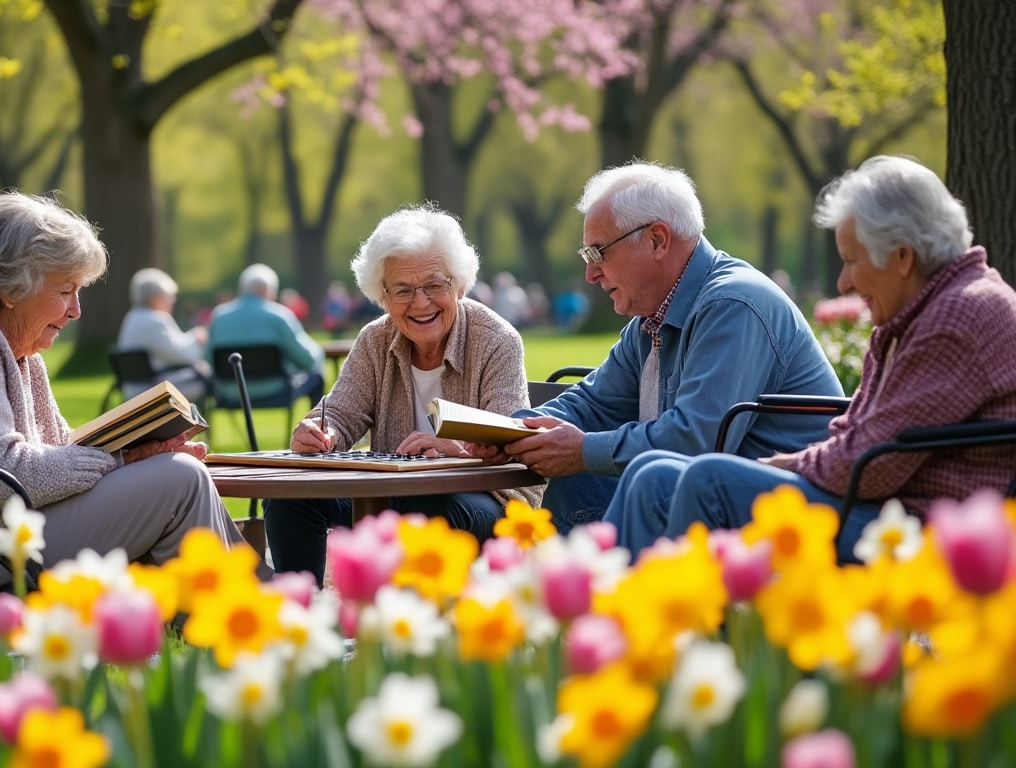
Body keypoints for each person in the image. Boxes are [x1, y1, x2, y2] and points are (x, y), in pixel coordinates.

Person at [0, 192, 260, 598]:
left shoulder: (7, 340)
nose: (76, 310)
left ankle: (240, 606)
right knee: (179, 480)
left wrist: (135, 452)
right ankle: (229, 628)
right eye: (65, 292)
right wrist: (118, 459)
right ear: (11, 288)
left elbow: (57, 451)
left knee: (176, 471)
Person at [603, 155, 1016, 561]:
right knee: (653, 472)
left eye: (852, 260)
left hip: (913, 529)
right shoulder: (924, 309)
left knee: (709, 479)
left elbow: (875, 462)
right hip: (878, 508)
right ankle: (622, 620)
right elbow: (866, 440)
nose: (844, 281)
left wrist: (793, 465)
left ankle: (694, 627)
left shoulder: (958, 316)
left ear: (902, 257)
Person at [472, 160, 843, 533]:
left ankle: (593, 585)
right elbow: (593, 403)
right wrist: (506, 433)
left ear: (657, 239)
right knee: (580, 476)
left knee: (613, 472)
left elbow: (696, 439)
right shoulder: (652, 319)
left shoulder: (732, 303)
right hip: (714, 502)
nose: (590, 273)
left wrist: (581, 450)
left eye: (599, 253)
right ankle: (582, 583)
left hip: (789, 515)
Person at [265, 203, 545, 586]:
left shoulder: (496, 340)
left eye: (434, 285)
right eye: (403, 290)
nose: (420, 302)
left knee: (424, 507)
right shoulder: (375, 339)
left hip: (486, 500)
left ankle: (415, 630)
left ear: (458, 285)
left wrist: (459, 451)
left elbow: (509, 444)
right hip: (391, 493)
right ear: (381, 295)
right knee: (288, 499)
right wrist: (318, 431)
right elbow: (341, 414)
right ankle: (300, 620)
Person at [206, 263, 325, 406]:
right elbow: (307, 359)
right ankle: (316, 427)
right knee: (317, 377)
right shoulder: (279, 316)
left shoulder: (219, 316)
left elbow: (207, 359)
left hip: (229, 393)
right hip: (274, 391)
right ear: (269, 291)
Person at [117, 268, 211, 404]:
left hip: (135, 386)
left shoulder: (132, 317)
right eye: (169, 296)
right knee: (208, 377)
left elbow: (172, 347)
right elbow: (179, 355)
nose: (173, 300)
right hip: (154, 386)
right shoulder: (156, 319)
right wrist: (197, 339)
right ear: (156, 298)